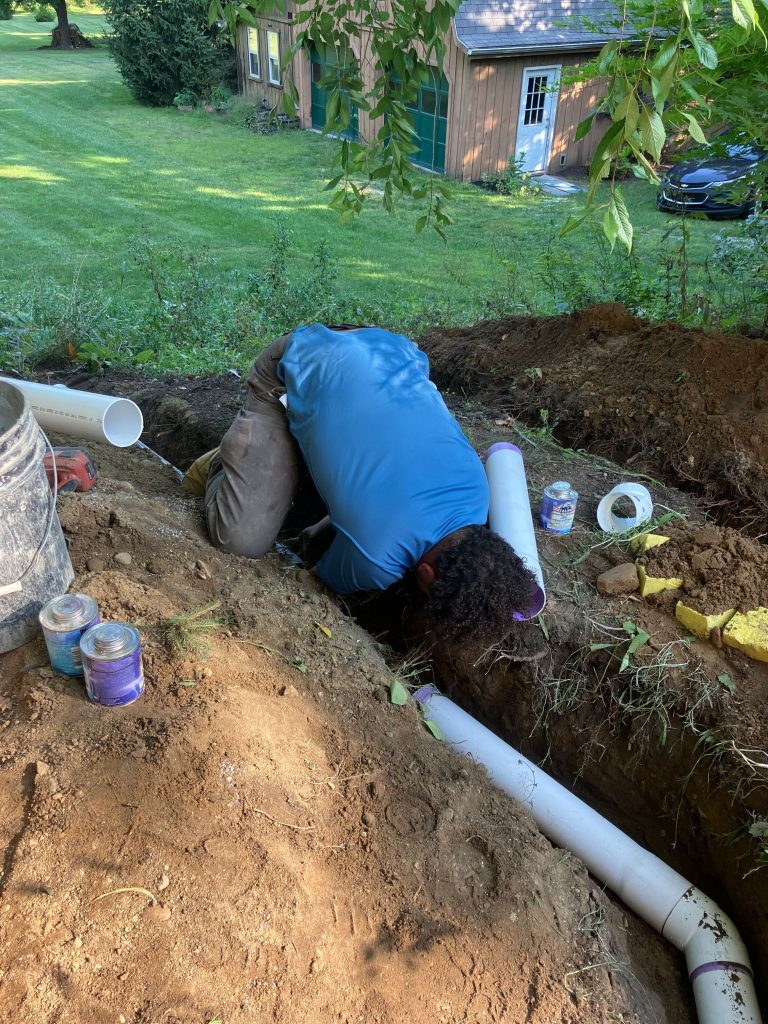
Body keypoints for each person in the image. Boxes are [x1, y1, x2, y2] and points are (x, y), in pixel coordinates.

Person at [184, 324, 537, 643]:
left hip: (387, 350)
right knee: (240, 539)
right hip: (298, 362)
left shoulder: (479, 494)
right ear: (426, 572)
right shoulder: (377, 562)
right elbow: (316, 573)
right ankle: (229, 458)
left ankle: (296, 446)